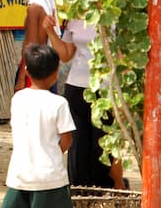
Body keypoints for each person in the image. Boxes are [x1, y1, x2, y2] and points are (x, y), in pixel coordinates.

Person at [43, 14, 125, 189]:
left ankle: (105, 194)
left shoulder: (114, 14)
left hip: (105, 90)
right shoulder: (74, 16)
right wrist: (50, 32)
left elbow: (122, 59)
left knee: (102, 147)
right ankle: (79, 195)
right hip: (75, 88)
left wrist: (122, 97)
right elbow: (66, 55)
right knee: (77, 147)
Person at [1, 44, 75, 208]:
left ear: (26, 70)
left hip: (20, 175)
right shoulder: (59, 103)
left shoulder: (18, 99)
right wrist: (51, 153)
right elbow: (67, 139)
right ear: (56, 73)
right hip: (50, 179)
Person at [14, 0, 61, 91]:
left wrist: (21, 77)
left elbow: (30, 45)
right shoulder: (48, 8)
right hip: (47, 67)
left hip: (34, 69)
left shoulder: (34, 9)